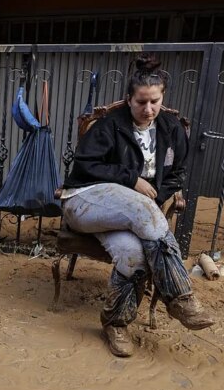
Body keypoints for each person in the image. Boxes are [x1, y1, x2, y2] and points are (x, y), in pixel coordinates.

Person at [61, 53, 214, 357]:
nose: (148, 109)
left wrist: (155, 193)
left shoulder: (170, 129)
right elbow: (84, 166)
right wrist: (131, 179)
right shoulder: (108, 126)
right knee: (144, 211)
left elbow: (177, 174)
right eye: (141, 102)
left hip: (138, 215)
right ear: (128, 99)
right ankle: (180, 297)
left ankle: (115, 323)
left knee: (134, 256)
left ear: (163, 97)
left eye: (155, 101)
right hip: (87, 201)